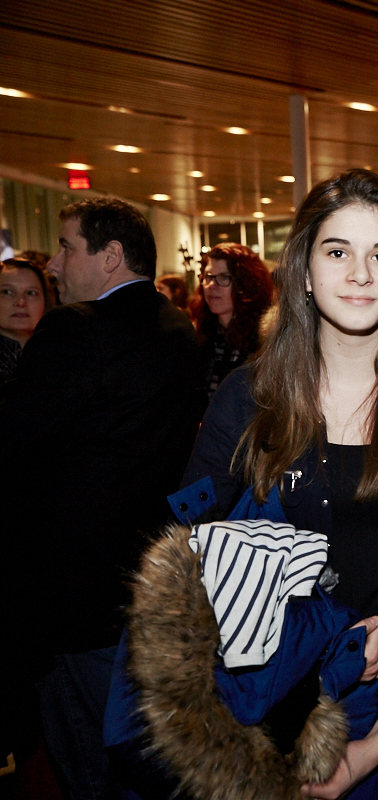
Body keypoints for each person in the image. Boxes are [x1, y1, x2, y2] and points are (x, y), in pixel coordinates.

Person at [177, 169, 378, 798]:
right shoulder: (248, 397)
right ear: (305, 271)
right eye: (337, 251)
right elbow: (185, 549)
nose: (360, 273)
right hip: (271, 712)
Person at [0, 197, 203, 800]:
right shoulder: (179, 327)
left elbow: (15, 442)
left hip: (69, 595)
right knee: (140, 761)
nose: (56, 265)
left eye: (66, 247)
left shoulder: (76, 328)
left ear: (110, 256)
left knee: (86, 766)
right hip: (145, 581)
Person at [190, 242, 274, 402]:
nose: (211, 286)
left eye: (224, 277)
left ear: (245, 284)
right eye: (208, 277)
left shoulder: (263, 340)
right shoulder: (200, 333)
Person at [0, 257, 55, 381]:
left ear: (45, 301)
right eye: (7, 292)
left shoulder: (61, 355)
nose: (21, 302)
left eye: (31, 293)